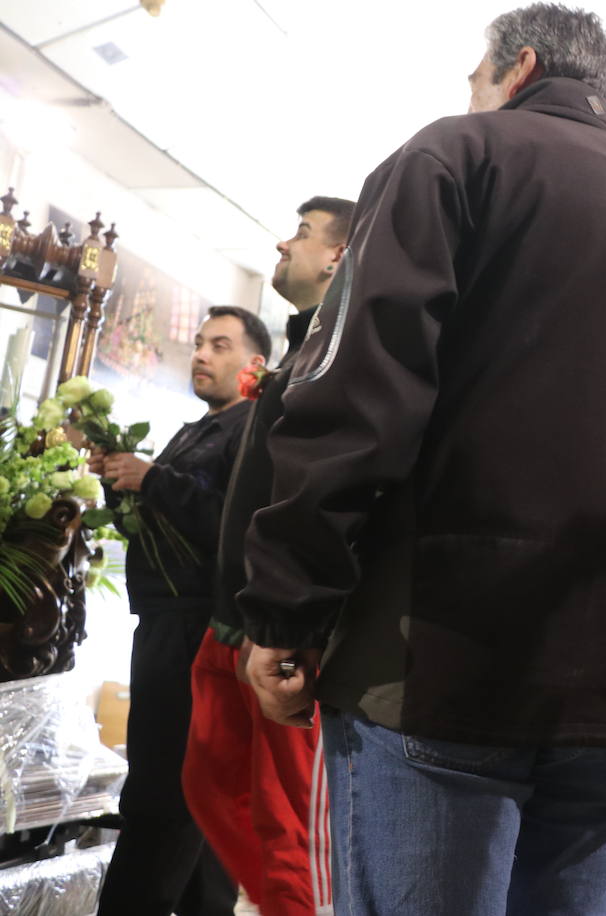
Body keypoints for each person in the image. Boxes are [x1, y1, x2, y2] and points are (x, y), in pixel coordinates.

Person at [234, 5, 606, 915]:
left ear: (517, 68)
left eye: (475, 81)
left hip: (444, 672)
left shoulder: (455, 160)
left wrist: (286, 608)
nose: (470, 100)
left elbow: (359, 400)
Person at [182, 197, 353, 916]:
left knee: (289, 824)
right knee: (210, 784)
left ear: (338, 259)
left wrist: (289, 618)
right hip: (235, 614)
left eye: (305, 234)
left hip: (280, 625)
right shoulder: (304, 345)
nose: (286, 242)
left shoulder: (347, 350)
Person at [94, 305, 270, 916]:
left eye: (219, 345)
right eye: (198, 343)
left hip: (199, 624)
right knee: (186, 788)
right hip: (165, 621)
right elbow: (158, 525)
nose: (201, 354)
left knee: (166, 792)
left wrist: (155, 481)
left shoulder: (254, 428)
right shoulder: (197, 428)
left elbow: (233, 527)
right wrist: (119, 484)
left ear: (255, 365)